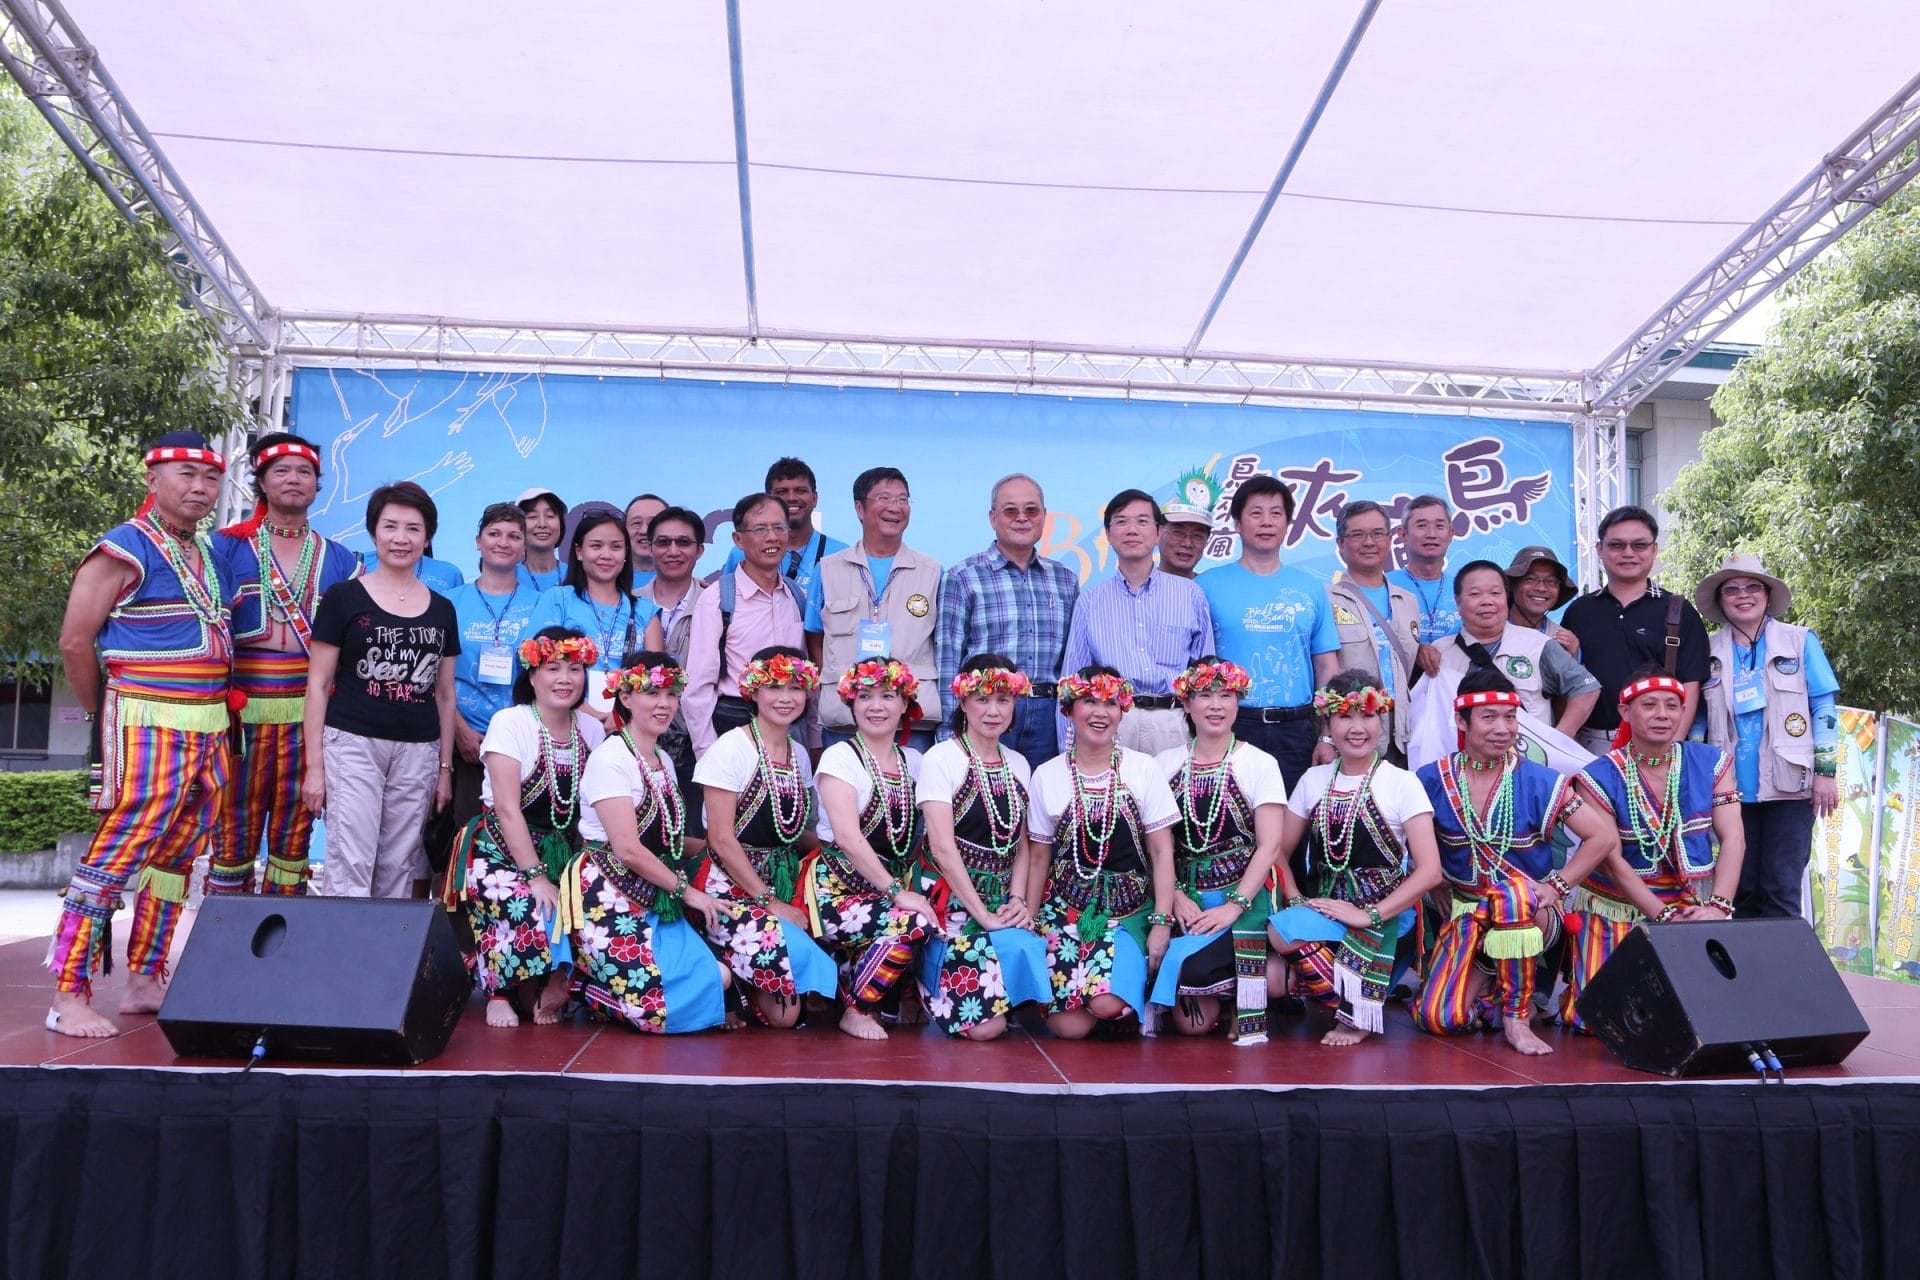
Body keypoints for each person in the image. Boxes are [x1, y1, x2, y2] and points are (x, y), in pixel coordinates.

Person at [46, 431, 234, 1037]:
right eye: (185, 475)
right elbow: (76, 640)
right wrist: (105, 711)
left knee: (178, 856)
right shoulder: (124, 545)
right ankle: (68, 993)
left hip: (209, 725)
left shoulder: (203, 552)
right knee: (116, 853)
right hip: (147, 720)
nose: (200, 488)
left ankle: (145, 976)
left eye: (210, 478)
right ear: (152, 480)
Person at [1412, 668, 1619, 1055]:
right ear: (1461, 720)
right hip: (1468, 912)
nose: (1503, 728)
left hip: (1533, 912)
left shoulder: (1541, 780)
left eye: (1510, 717)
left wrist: (1556, 887)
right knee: (1438, 1019)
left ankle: (1516, 1016)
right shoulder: (1431, 779)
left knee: (1512, 897)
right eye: (1489, 717)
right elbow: (1413, 845)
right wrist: (1438, 880)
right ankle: (1488, 979)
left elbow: (1602, 836)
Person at [208, 432, 359, 895]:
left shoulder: (341, 559)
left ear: (317, 485)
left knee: (296, 835)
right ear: (261, 482)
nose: (294, 479)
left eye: (305, 472)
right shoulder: (224, 548)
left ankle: (280, 955)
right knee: (232, 833)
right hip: (240, 715)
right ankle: (223, 949)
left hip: (308, 717)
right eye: (282, 470)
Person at [1562, 671, 1746, 1030]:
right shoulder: (1598, 776)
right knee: (1596, 1019)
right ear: (1625, 711)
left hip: (1691, 904)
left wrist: (1718, 907)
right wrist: (1661, 918)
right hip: (1615, 906)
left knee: (1700, 1015)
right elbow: (1610, 859)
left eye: (1672, 706)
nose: (1662, 714)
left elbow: (1734, 837)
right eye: (1649, 705)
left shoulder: (1710, 763)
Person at [303, 480, 462, 899]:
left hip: (419, 750)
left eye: (413, 528)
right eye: (390, 526)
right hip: (353, 744)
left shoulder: (443, 609)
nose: (401, 538)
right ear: (374, 532)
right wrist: (315, 767)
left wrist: (444, 770)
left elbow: (445, 695)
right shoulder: (342, 597)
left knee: (398, 867)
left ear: (427, 537)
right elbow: (318, 685)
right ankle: (343, 964)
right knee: (350, 861)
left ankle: (384, 963)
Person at [1267, 669, 1442, 1045]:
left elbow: (1430, 872)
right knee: (1276, 957)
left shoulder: (1402, 783)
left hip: (1386, 916)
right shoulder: (1314, 780)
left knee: (1285, 932)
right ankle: (1353, 998)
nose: (1357, 727)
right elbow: (1277, 851)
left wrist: (1369, 913)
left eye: (1367, 715)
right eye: (1345, 716)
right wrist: (1297, 897)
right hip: (1327, 910)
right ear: (1328, 722)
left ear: (1382, 719)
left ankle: (1359, 1008)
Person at [444, 627, 605, 1027]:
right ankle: (497, 992)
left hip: (565, 852)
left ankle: (560, 983)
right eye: (553, 668)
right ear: (532, 675)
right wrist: (534, 876)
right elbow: (508, 809)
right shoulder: (510, 722)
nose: (565, 678)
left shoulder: (592, 731)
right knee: (529, 904)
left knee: (602, 910)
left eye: (574, 668)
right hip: (501, 849)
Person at [567, 650, 730, 1033]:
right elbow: (626, 847)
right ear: (625, 698)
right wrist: (688, 892)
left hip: (653, 891)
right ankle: (581, 985)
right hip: (608, 893)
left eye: (672, 694)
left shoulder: (661, 758)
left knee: (718, 978)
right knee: (655, 1014)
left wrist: (719, 849)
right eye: (652, 693)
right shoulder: (611, 758)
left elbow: (666, 837)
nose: (664, 704)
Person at [1026, 666, 1180, 1039]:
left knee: (1106, 1003)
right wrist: (1030, 921)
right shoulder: (1047, 774)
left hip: (1128, 912)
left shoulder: (1143, 769)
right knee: (1069, 1028)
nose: (1100, 712)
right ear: (1068, 710)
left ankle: (1123, 994)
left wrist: (1161, 922)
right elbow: (1038, 858)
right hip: (1064, 909)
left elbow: (1161, 853)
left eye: (1110, 703)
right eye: (1089, 702)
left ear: (1122, 709)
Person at [691, 647, 839, 1026]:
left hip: (783, 882)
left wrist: (837, 852)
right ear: (753, 691)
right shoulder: (731, 748)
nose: (785, 698)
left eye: (795, 687)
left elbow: (792, 832)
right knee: (787, 1017)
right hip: (730, 889)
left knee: (788, 1012)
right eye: (774, 687)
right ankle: (720, 963)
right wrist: (769, 901)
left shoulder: (799, 754)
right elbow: (721, 839)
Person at [1148, 658, 1287, 1043]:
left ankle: (1258, 974)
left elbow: (1270, 844)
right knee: (1191, 1026)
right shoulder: (1165, 764)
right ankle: (1224, 993)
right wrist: (1173, 896)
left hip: (1242, 896)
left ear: (1238, 702)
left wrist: (1234, 905)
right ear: (1186, 703)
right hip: (1186, 898)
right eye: (1205, 695)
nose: (1215, 705)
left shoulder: (1259, 763)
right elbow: (1156, 847)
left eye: (1225, 695)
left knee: (1269, 980)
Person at [1695, 554, 1839, 919]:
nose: (1743, 595)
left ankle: (1784, 975)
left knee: (1780, 889)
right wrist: (1693, 782)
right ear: (1721, 600)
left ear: (1767, 594)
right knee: (1739, 891)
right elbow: (1696, 721)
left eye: (1752, 587)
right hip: (1728, 789)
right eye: (1732, 589)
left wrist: (1826, 773)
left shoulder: (1799, 640)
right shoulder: (1707, 651)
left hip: (1790, 786)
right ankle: (1747, 975)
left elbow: (1824, 708)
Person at [915, 655, 1052, 1040]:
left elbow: (1021, 844)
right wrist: (983, 914)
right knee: (985, 1029)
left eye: (1004, 700)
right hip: (952, 904)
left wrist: (1018, 900)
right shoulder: (941, 758)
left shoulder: (1020, 764)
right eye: (982, 699)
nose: (993, 711)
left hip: (999, 900)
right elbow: (941, 848)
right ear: (962, 702)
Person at [810, 658, 940, 1039]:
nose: (876, 706)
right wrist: (898, 892)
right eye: (865, 696)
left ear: (906, 704)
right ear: (852, 704)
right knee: (915, 919)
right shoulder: (840, 757)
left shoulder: (914, 761)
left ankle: (908, 996)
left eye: (887, 695)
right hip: (835, 894)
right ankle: (856, 1009)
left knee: (944, 909)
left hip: (883, 891)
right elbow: (848, 838)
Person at [1197, 474, 1339, 785]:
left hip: (1298, 730)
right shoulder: (1206, 586)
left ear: (1288, 524)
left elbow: (1327, 665)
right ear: (1237, 523)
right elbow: (1193, 666)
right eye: (1256, 513)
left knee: (1294, 829)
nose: (1266, 522)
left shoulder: (1311, 588)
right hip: (1231, 727)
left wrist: (1327, 738)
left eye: (1276, 513)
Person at [936, 473, 1079, 765]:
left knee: (1046, 805)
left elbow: (1074, 657)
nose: (1022, 518)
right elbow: (948, 659)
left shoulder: (1065, 580)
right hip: (988, 709)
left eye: (1031, 510)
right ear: (992, 517)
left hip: (1049, 716)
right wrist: (950, 730)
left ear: (1044, 516)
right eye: (1010, 510)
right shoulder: (963, 576)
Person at [1060, 488, 1212, 756]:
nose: (1132, 529)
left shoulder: (1190, 594)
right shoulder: (1090, 602)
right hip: (1112, 723)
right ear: (1108, 534)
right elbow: (1072, 682)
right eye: (1121, 521)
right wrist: (1068, 748)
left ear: (1158, 533)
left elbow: (1206, 675)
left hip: (1175, 723)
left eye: (1142, 521)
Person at [806, 468, 943, 752]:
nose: (895, 507)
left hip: (911, 720)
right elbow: (815, 638)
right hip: (845, 719)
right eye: (884, 498)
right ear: (859, 507)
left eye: (903, 499)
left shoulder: (932, 571)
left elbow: (943, 642)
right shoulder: (829, 569)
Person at [1561, 505, 1710, 754]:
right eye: (1617, 545)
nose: (1628, 553)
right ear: (1600, 549)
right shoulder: (1580, 611)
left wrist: (1672, 749)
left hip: (1657, 743)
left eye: (1639, 545)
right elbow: (1563, 682)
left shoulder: (1678, 610)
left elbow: (1690, 684)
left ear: (1654, 549)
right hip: (1589, 744)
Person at [683, 493, 808, 754]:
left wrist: (814, 739)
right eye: (760, 529)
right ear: (738, 539)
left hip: (789, 731)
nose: (772, 537)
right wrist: (707, 752)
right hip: (735, 725)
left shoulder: (795, 596)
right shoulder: (718, 598)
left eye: (779, 527)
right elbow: (698, 686)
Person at [446, 504, 542, 838]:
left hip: (523, 745)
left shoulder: (543, 604)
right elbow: (433, 676)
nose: (503, 542)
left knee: (521, 841)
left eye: (514, 536)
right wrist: (459, 731)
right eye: (494, 533)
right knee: (464, 842)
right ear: (477, 541)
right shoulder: (448, 602)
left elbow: (546, 678)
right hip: (464, 742)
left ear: (524, 547)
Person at [525, 508, 659, 727]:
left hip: (625, 729)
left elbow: (655, 681)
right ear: (579, 551)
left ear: (626, 553)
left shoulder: (645, 611)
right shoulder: (558, 599)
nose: (606, 555)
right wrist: (588, 714)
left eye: (615, 547)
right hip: (564, 722)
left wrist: (620, 721)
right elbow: (533, 664)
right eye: (596, 546)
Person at [1436, 560, 1600, 738]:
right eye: (1475, 594)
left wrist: (1559, 739)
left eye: (1495, 593)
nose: (1487, 601)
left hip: (1526, 760)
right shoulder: (1439, 652)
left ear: (1506, 597)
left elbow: (1587, 688)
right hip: (1461, 760)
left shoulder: (1539, 644)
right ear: (1458, 602)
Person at [1325, 499, 1421, 762]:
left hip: (1400, 739)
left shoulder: (1408, 601)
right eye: (1357, 534)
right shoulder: (1324, 599)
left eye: (1378, 533)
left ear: (1389, 539)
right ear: (1341, 544)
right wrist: (1325, 736)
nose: (1369, 542)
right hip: (1347, 739)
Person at [637, 505, 709, 833]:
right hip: (636, 740)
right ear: (649, 547)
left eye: (683, 542)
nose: (673, 551)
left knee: (692, 835)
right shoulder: (627, 604)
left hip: (697, 741)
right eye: (663, 542)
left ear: (699, 550)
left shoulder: (717, 604)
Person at [719, 460, 846, 600]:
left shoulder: (841, 555)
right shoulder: (742, 553)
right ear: (767, 499)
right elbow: (724, 601)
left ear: (815, 499)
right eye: (781, 492)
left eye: (801, 491)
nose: (791, 498)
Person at [1386, 494, 1462, 647]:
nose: (1431, 534)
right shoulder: (1385, 586)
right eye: (1421, 526)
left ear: (1450, 534)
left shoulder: (1464, 588)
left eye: (1439, 526)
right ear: (1403, 534)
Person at [1506, 545, 1581, 656]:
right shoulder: (1489, 630)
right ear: (1512, 584)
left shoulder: (1564, 641)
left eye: (1551, 581)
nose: (1541, 588)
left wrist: (1573, 656)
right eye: (1530, 579)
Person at [516, 486, 569, 592]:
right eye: (532, 516)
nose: (542, 524)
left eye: (550, 516)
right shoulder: (506, 577)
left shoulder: (578, 576)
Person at [1156, 501, 1212, 579]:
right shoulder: (1137, 587)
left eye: (1197, 535)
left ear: (1207, 540)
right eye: (1178, 532)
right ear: (1158, 533)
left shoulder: (1210, 589)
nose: (1187, 543)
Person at [623, 493, 666, 583]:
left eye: (653, 523)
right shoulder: (606, 581)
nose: (644, 531)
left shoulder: (689, 586)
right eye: (636, 523)